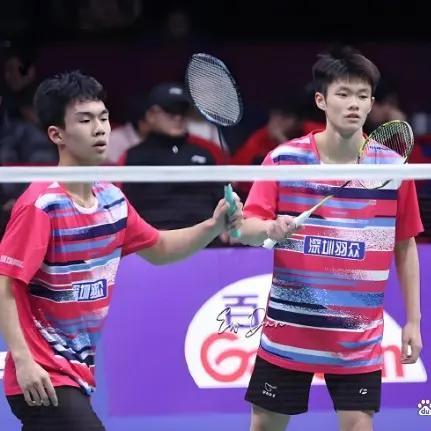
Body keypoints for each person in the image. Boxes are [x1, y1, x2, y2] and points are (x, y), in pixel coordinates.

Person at [0, 70, 242, 431]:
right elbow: (5, 283)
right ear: (56, 134)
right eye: (85, 120)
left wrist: (214, 225)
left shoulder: (111, 200)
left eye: (103, 117)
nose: (99, 128)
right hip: (42, 373)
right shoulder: (42, 205)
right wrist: (23, 360)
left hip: (78, 372)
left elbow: (161, 248)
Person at [238, 46, 423, 431]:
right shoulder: (284, 161)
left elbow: (405, 245)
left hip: (357, 339)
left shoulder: (392, 169)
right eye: (343, 93)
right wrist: (269, 229)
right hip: (289, 333)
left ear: (371, 103)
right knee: (265, 426)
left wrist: (413, 321)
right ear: (321, 100)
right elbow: (246, 227)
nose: (353, 103)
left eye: (362, 95)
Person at [123, 82, 228, 245]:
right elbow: (126, 208)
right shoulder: (133, 157)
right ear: (151, 115)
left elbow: (222, 199)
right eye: (170, 111)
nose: (177, 117)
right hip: (154, 242)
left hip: (206, 240)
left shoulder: (204, 155)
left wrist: (226, 225)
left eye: (182, 111)